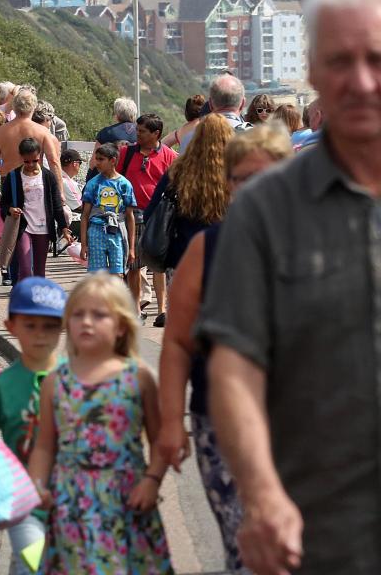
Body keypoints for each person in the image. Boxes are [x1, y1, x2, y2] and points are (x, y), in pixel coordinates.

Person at [196, 0, 381, 574]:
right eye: (339, 61)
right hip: (312, 532)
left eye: (376, 59)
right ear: (312, 75)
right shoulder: (264, 211)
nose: (360, 80)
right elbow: (234, 368)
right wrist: (263, 493)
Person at [157, 125, 292, 574]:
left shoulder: (314, 245)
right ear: (228, 184)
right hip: (222, 424)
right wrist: (172, 424)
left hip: (305, 425)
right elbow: (176, 342)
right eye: (242, 179)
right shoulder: (206, 249)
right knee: (247, 550)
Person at [27, 274, 172, 573]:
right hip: (71, 506)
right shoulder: (56, 382)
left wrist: (152, 480)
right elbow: (44, 446)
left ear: (121, 326)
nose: (86, 322)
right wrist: (37, 486)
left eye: (99, 314)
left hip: (127, 502)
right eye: (78, 314)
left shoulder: (138, 377)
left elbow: (159, 441)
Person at [0, 276, 67, 575]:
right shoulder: (3, 384)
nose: (40, 335)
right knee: (34, 565)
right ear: (11, 327)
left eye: (49, 326)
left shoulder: (77, 380)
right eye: (30, 325)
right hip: (23, 504)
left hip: (76, 500)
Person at [142, 114, 232, 282]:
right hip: (224, 261)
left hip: (181, 260)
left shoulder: (177, 171)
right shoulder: (235, 173)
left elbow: (150, 214)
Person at [117, 113, 178, 322]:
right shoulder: (126, 153)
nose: (138, 134)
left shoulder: (170, 156)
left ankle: (162, 310)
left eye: (142, 131)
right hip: (131, 216)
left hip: (158, 217)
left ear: (156, 133)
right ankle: (135, 309)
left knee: (158, 265)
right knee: (133, 265)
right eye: (138, 130)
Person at [0, 137, 72, 281]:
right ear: (21, 157)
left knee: (40, 270)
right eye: (27, 161)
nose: (31, 164)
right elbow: (3, 203)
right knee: (25, 268)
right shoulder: (13, 176)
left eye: (35, 160)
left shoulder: (48, 176)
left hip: (44, 228)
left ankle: (38, 299)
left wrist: (64, 228)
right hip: (23, 227)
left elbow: (56, 204)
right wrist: (11, 210)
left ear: (40, 157)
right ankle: (26, 297)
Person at [79, 143, 136, 275]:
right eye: (96, 158)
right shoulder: (93, 184)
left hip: (117, 232)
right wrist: (83, 244)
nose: (97, 162)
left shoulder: (124, 184)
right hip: (96, 231)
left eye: (101, 159)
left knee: (118, 274)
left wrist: (132, 248)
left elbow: (130, 216)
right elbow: (85, 215)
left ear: (113, 160)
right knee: (98, 277)